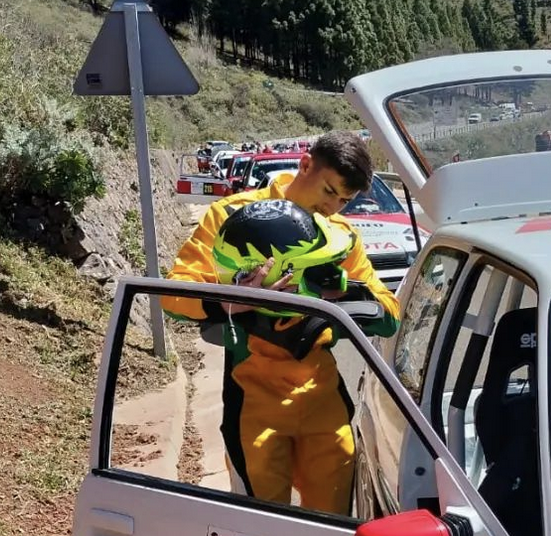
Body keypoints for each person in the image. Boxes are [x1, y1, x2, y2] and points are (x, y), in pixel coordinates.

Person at [162, 130, 400, 516]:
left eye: (344, 200)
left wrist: (337, 296)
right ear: (305, 165)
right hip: (252, 399)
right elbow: (173, 293)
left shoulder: (340, 237)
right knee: (262, 529)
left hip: (322, 397)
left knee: (333, 525)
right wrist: (235, 299)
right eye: (328, 191)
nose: (332, 207)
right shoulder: (232, 217)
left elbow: (389, 313)